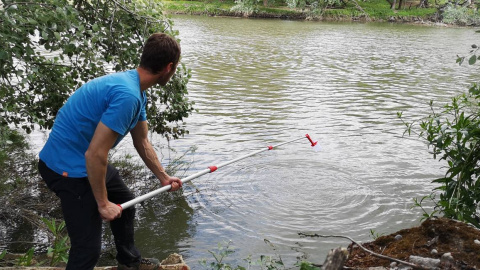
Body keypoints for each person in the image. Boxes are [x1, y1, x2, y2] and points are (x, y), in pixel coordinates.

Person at [38, 33, 184, 270]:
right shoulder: (127, 95)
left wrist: (163, 177)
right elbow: (95, 155)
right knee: (87, 250)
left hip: (82, 162)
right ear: (169, 67)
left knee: (125, 203)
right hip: (67, 169)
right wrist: (103, 203)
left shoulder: (137, 90)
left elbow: (143, 142)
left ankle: (129, 263)